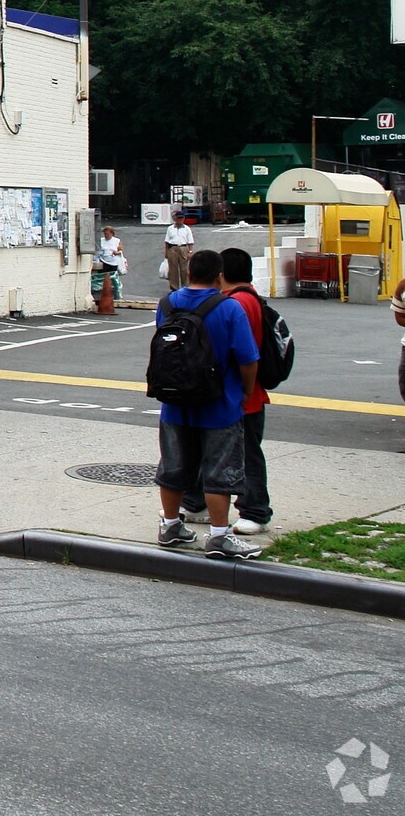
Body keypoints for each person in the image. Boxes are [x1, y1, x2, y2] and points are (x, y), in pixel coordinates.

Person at [152, 248, 262, 560]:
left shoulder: (166, 304)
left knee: (173, 466)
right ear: (218, 276)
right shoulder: (229, 308)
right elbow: (248, 358)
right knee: (220, 470)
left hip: (174, 400)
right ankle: (218, 536)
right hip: (219, 403)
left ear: (188, 273)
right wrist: (245, 391)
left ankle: (170, 525)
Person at [179, 248, 272, 534]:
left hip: (239, 396)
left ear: (222, 275)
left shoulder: (237, 304)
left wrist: (242, 391)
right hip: (235, 394)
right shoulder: (245, 299)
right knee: (210, 451)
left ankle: (254, 509)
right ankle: (196, 501)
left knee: (242, 456)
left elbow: (243, 355)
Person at [94, 225, 127, 302]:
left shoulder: (116, 241)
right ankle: (102, 294)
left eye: (108, 234)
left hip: (113, 262)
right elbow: (97, 249)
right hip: (103, 261)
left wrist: (117, 252)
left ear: (112, 234)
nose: (106, 235)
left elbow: (121, 250)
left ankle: (114, 294)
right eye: (105, 233)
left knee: (113, 278)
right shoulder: (101, 240)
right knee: (103, 278)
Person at [163, 216, 195, 289]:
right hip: (172, 247)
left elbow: (190, 241)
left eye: (181, 218)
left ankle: (185, 287)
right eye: (178, 218)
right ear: (175, 219)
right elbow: (167, 241)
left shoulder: (187, 229)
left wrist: (190, 251)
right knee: (173, 269)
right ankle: (174, 287)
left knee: (184, 269)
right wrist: (166, 252)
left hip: (183, 247)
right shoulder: (170, 228)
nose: (180, 220)